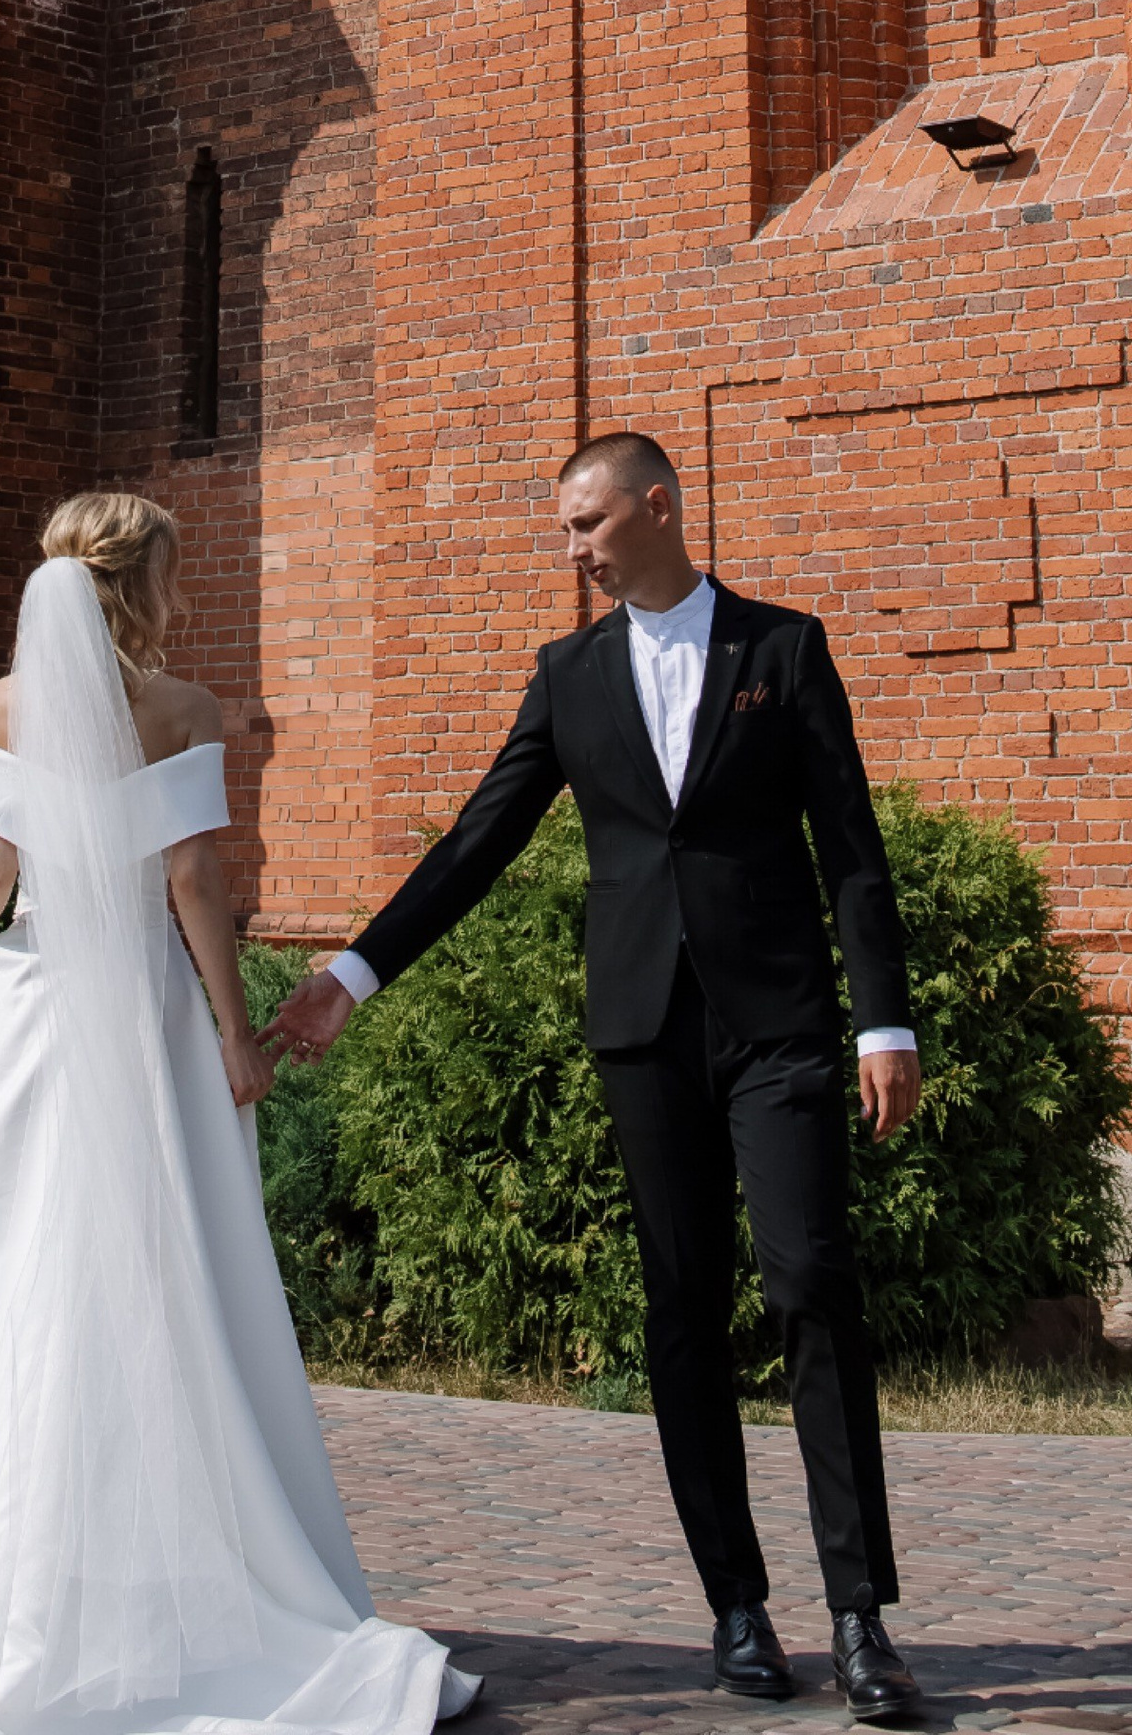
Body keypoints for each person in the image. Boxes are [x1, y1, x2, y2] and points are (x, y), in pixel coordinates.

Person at [0, 489, 476, 1735]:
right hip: (134, 1018)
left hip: (12, 1014)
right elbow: (189, 879)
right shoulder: (182, 711)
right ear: (147, 580)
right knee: (146, 1293)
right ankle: (135, 1579)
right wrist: (235, 1035)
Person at [270, 434, 927, 1725]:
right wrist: (353, 975)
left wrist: (884, 1023)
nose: (571, 550)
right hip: (642, 1026)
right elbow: (481, 837)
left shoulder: (783, 647)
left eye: (586, 522)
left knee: (810, 1284)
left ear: (656, 507)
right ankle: (737, 1608)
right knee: (681, 1306)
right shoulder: (566, 676)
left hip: (779, 1025)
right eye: (566, 529)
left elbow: (850, 844)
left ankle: (861, 1621)